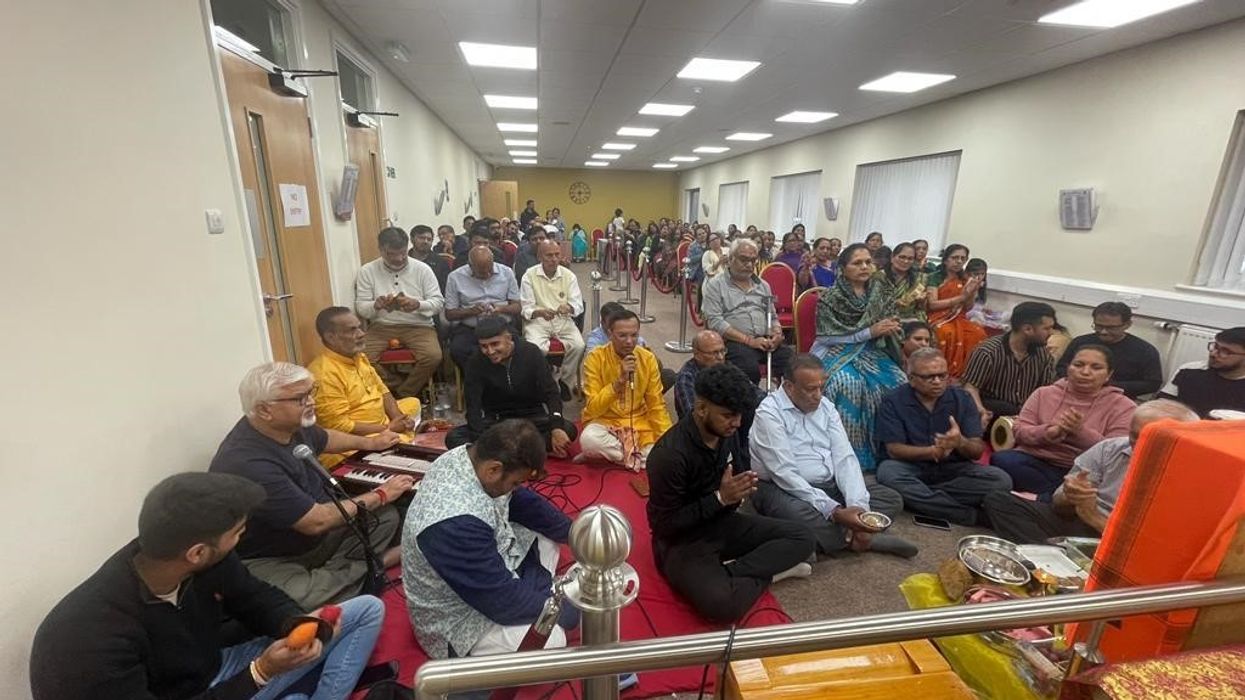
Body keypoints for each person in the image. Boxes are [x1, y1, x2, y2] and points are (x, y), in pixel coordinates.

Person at [30, 472, 384, 700]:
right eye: (238, 533)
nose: (242, 539)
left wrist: (296, 624)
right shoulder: (88, 640)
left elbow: (255, 597)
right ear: (197, 552)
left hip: (216, 667)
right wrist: (260, 673)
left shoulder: (191, 559)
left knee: (368, 608)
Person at [210, 362, 413, 608]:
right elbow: (316, 522)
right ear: (264, 410)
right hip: (271, 558)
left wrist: (373, 443)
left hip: (318, 541)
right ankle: (374, 567)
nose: (311, 402)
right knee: (294, 599)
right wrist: (381, 493)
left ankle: (353, 577)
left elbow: (326, 437)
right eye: (300, 398)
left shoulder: (290, 426)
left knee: (385, 516)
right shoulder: (247, 462)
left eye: (311, 393)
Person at [647, 364, 816, 623]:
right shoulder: (669, 455)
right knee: (721, 607)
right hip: (682, 541)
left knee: (803, 537)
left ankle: (731, 572)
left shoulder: (727, 432)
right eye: (728, 415)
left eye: (739, 415)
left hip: (722, 523)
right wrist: (720, 499)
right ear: (701, 408)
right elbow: (663, 526)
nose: (736, 423)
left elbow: (736, 472)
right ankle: (768, 574)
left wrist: (735, 494)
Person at [403, 420, 579, 659]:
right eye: (515, 482)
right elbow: (501, 603)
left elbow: (522, 502)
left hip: (485, 568)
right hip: (458, 618)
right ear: (494, 470)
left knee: (548, 539)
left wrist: (578, 535)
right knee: (552, 639)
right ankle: (539, 590)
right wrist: (561, 609)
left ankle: (536, 589)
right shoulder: (453, 523)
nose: (516, 488)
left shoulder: (470, 457)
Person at [750, 354, 917, 558]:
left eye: (822, 386)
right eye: (810, 389)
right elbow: (785, 474)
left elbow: (844, 458)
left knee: (890, 498)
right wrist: (835, 511)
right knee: (796, 513)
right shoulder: (768, 414)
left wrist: (858, 508)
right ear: (788, 387)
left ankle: (829, 538)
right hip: (782, 488)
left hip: (828, 485)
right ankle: (863, 539)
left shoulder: (826, 406)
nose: (818, 395)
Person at [984, 399, 1200, 543]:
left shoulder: (1192, 474)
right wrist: (1071, 496)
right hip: (1081, 522)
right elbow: (1058, 506)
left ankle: (1055, 561)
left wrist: (1094, 516)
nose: (1138, 444)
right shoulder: (1110, 448)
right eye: (1134, 435)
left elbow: (1156, 544)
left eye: (1151, 438)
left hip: (1126, 541)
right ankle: (1050, 561)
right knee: (999, 500)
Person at [875, 348, 1014, 526]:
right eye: (929, 377)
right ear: (911, 379)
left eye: (942, 376)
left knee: (1001, 481)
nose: (938, 382)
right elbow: (894, 450)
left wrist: (960, 442)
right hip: (911, 467)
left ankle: (922, 498)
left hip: (953, 470)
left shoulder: (962, 399)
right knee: (888, 472)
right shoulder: (894, 400)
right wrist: (933, 451)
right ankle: (970, 516)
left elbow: (977, 451)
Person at [991, 345, 1136, 499]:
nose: (1085, 372)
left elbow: (1115, 452)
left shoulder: (1124, 406)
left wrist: (1080, 433)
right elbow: (1019, 432)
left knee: (1102, 486)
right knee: (1002, 459)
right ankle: (1055, 498)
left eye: (1096, 367)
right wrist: (1048, 432)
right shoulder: (1043, 393)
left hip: (1083, 470)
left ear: (1108, 374)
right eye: (1078, 365)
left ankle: (1044, 498)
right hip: (1036, 461)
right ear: (1068, 368)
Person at [812, 243, 907, 470]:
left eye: (868, 262)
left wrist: (890, 327)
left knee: (899, 382)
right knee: (848, 383)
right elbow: (826, 336)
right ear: (843, 268)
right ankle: (849, 454)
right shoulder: (831, 298)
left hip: (873, 350)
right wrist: (868, 332)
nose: (864, 267)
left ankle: (889, 449)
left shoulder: (880, 292)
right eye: (857, 263)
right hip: (835, 350)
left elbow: (892, 320)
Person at [446, 317, 578, 457]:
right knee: (454, 438)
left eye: (495, 344)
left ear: (508, 338)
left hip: (532, 418)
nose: (490, 351)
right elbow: (473, 407)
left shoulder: (531, 352)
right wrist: (479, 439)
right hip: (497, 422)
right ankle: (528, 452)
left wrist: (556, 427)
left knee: (568, 429)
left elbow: (551, 392)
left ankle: (500, 454)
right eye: (484, 346)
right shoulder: (475, 362)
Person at [308, 307, 421, 467]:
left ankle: (401, 438)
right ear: (331, 337)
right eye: (352, 330)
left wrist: (398, 418)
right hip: (357, 439)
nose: (361, 334)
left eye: (360, 327)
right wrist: (389, 427)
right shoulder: (324, 374)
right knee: (397, 443)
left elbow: (383, 390)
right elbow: (340, 427)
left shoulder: (357, 356)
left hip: (381, 423)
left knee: (413, 403)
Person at [355, 227, 445, 399]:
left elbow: (438, 303)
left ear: (407, 247)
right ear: (381, 250)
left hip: (419, 326)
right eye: (391, 254)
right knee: (360, 356)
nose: (398, 258)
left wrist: (418, 304)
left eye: (402, 253)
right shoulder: (367, 271)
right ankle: (394, 388)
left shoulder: (422, 269)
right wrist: (376, 305)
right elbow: (361, 308)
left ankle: (404, 393)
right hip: (382, 326)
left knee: (433, 356)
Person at [579, 309, 672, 470]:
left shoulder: (648, 359)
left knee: (665, 450)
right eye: (622, 335)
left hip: (639, 424)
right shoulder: (595, 358)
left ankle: (616, 458)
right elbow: (593, 408)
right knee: (589, 440)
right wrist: (618, 383)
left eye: (634, 335)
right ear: (610, 334)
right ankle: (636, 458)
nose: (629, 341)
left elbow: (656, 404)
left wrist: (668, 439)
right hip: (605, 422)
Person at [702, 238, 793, 385]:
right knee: (748, 369)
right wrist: (749, 341)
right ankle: (751, 405)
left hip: (766, 340)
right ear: (730, 259)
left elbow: (773, 317)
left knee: (794, 364)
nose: (749, 264)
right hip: (735, 342)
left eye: (753, 260)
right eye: (744, 259)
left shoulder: (763, 286)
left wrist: (777, 334)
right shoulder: (715, 285)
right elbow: (715, 322)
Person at [960, 301, 1059, 424]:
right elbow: (970, 388)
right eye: (1047, 328)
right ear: (1027, 329)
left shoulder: (1044, 356)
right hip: (992, 414)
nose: (1051, 333)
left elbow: (1044, 393)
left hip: (1025, 416)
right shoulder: (988, 352)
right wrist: (981, 410)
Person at [520, 240, 586, 396]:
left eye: (557, 255)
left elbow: (578, 304)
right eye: (549, 255)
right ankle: (543, 382)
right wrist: (539, 312)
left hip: (563, 320)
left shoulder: (568, 275)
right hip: (537, 321)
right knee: (534, 348)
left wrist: (568, 307)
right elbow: (526, 308)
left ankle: (565, 381)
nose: (554, 259)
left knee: (579, 345)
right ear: (539, 257)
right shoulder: (529, 275)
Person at [1056, 303, 1162, 399]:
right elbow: (1061, 367)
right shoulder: (1080, 342)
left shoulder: (1144, 350)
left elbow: (1153, 383)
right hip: (1076, 395)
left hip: (1119, 400)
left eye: (1111, 328)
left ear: (1127, 324)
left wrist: (1106, 385)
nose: (1103, 332)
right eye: (1099, 326)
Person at [444, 245, 522, 370]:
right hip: (470, 328)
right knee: (458, 350)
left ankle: (507, 381)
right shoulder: (455, 277)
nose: (487, 274)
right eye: (481, 272)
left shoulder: (506, 272)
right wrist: (471, 311)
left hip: (501, 324)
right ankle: (476, 381)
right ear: (470, 266)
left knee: (519, 347)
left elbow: (517, 307)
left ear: (493, 261)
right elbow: (449, 314)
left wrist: (500, 309)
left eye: (489, 269)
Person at [925, 244, 986, 376]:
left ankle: (967, 374)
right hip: (937, 316)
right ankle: (942, 372)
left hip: (959, 317)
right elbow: (932, 305)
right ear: (946, 259)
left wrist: (973, 292)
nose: (959, 261)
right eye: (955, 257)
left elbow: (968, 307)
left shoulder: (965, 279)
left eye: (962, 258)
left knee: (978, 333)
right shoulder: (935, 277)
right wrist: (962, 297)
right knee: (946, 332)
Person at [1159, 327, 1245, 416]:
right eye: (1215, 346)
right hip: (1182, 426)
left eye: (1225, 351)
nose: (1213, 354)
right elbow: (1162, 405)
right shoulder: (1189, 370)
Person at [877, 241, 927, 321]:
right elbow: (873, 305)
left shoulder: (919, 278)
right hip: (883, 318)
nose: (906, 261)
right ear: (892, 257)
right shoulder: (880, 277)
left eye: (910, 259)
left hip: (911, 319)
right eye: (902, 257)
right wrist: (896, 303)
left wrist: (922, 301)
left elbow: (921, 308)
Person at [409, 224, 451, 292]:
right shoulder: (403, 261)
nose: (426, 242)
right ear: (412, 239)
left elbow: (445, 289)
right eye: (421, 238)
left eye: (429, 239)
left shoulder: (441, 263)